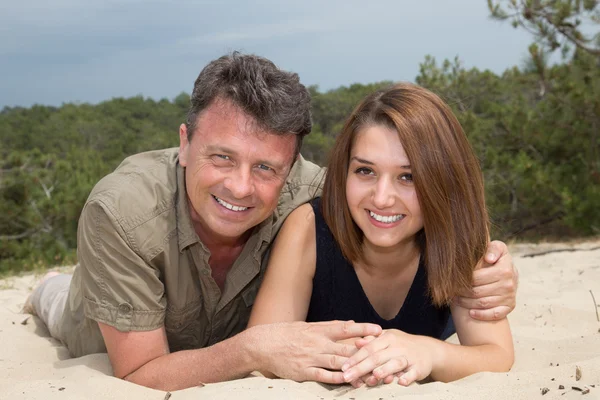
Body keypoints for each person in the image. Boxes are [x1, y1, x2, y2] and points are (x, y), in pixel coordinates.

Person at [26, 53, 517, 391]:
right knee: (61, 304)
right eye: (221, 157)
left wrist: (496, 268)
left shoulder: (328, 191)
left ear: (292, 166)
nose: (241, 187)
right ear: (184, 141)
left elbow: (402, 205)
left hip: (234, 337)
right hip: (114, 327)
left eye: (266, 167)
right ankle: (49, 288)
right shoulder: (121, 212)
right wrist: (254, 350)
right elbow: (137, 375)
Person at [248, 83, 514, 388]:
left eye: (408, 177)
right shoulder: (307, 228)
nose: (382, 198)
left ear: (442, 181)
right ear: (344, 170)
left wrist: (429, 352)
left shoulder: (460, 233)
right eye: (365, 171)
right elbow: (262, 361)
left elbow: (497, 356)